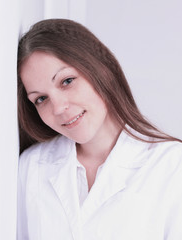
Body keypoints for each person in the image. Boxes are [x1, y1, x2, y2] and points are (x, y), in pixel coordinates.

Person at [17, 19, 182, 240]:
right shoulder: (32, 168)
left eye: (67, 81)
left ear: (101, 70)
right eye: (41, 98)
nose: (58, 108)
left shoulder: (171, 166)